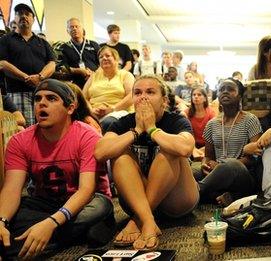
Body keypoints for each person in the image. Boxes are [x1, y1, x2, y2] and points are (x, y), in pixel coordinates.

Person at [0, 79, 113, 258]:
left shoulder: (87, 136)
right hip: (45, 203)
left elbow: (86, 190)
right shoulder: (19, 141)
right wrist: (2, 221)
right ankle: (73, 234)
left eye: (51, 98)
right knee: (13, 211)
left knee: (99, 207)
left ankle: (38, 236)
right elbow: (12, 188)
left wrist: (51, 223)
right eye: (37, 99)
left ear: (70, 108)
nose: (42, 103)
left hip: (86, 201)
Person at [94, 74, 198, 250]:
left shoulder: (176, 120)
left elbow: (185, 148)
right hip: (136, 199)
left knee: (170, 150)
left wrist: (151, 129)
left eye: (150, 92)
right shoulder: (124, 122)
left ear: (164, 100)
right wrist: (136, 131)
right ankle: (148, 219)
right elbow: (100, 152)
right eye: (137, 92)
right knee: (119, 153)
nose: (143, 97)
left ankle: (137, 220)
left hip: (176, 200)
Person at [199, 78, 261, 206]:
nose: (225, 92)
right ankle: (228, 197)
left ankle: (197, 192)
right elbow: (208, 156)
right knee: (191, 170)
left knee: (231, 164)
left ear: (239, 96)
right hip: (217, 172)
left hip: (242, 174)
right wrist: (205, 164)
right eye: (221, 89)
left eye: (231, 89)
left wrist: (222, 167)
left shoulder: (250, 120)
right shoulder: (211, 124)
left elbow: (254, 157)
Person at [0, 3, 56, 126]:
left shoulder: (42, 42)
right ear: (14, 18)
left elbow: (52, 63)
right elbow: (2, 63)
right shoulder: (5, 40)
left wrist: (40, 77)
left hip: (41, 93)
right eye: (20, 14)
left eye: (27, 14)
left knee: (44, 127)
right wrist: (26, 77)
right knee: (25, 130)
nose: (23, 16)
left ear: (33, 19)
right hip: (17, 92)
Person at [82, 46, 135, 132]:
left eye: (107, 55)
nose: (104, 58)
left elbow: (132, 96)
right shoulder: (94, 76)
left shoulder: (126, 75)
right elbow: (83, 97)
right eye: (101, 57)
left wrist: (112, 109)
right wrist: (90, 110)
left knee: (108, 122)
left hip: (118, 112)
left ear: (116, 59)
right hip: (94, 113)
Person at [182, 88, 216, 180]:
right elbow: (185, 132)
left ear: (205, 98)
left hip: (207, 146)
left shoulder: (211, 113)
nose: (196, 97)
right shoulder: (186, 112)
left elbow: (214, 135)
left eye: (199, 95)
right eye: (194, 95)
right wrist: (193, 149)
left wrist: (204, 149)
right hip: (192, 146)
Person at [61, 18, 100, 89]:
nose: (74, 29)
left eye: (77, 26)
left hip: (95, 81)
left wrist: (94, 74)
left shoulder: (93, 44)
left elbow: (101, 63)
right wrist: (78, 71)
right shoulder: (64, 47)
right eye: (71, 27)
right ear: (67, 31)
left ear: (82, 29)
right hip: (74, 84)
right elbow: (62, 67)